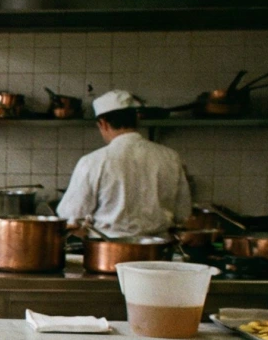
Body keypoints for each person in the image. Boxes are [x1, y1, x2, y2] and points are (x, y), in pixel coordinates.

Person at [56, 89, 192, 237]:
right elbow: (183, 213)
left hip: (109, 246)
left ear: (103, 123)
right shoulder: (170, 157)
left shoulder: (92, 161)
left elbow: (71, 213)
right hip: (158, 246)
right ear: (137, 120)